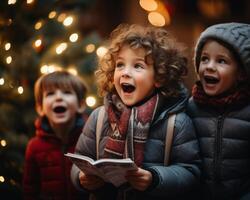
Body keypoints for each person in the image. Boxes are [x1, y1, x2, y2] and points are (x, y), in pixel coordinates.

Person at [71, 23, 200, 200]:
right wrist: (80, 177)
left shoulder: (176, 123)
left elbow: (190, 171)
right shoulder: (99, 117)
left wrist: (155, 179)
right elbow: (80, 159)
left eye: (137, 66)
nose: (125, 73)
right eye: (120, 65)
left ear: (159, 77)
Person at [187, 22, 250, 200]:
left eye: (221, 61)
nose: (209, 66)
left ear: (242, 73)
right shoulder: (191, 108)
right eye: (204, 59)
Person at [22, 70, 89, 200]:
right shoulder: (34, 146)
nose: (58, 97)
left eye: (67, 92)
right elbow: (30, 190)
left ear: (80, 105)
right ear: (40, 108)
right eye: (50, 94)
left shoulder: (90, 139)